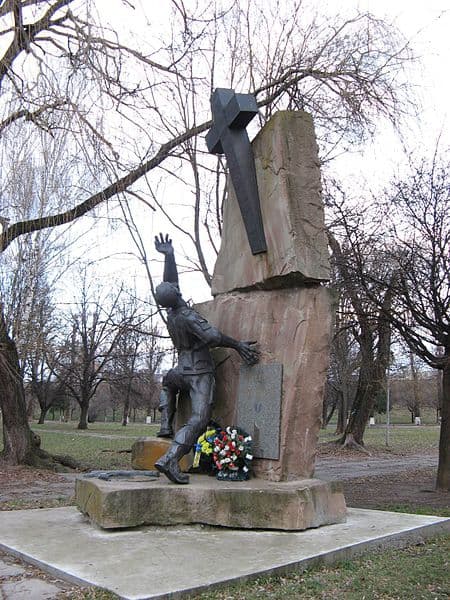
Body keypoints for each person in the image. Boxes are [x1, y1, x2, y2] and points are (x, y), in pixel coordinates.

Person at [153, 233, 259, 484]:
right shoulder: (187, 316)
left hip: (180, 370)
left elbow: (170, 284)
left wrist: (169, 257)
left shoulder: (171, 314)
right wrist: (236, 344)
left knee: (167, 382)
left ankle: (165, 425)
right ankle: (171, 459)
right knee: (199, 419)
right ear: (177, 294)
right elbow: (212, 336)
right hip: (199, 373)